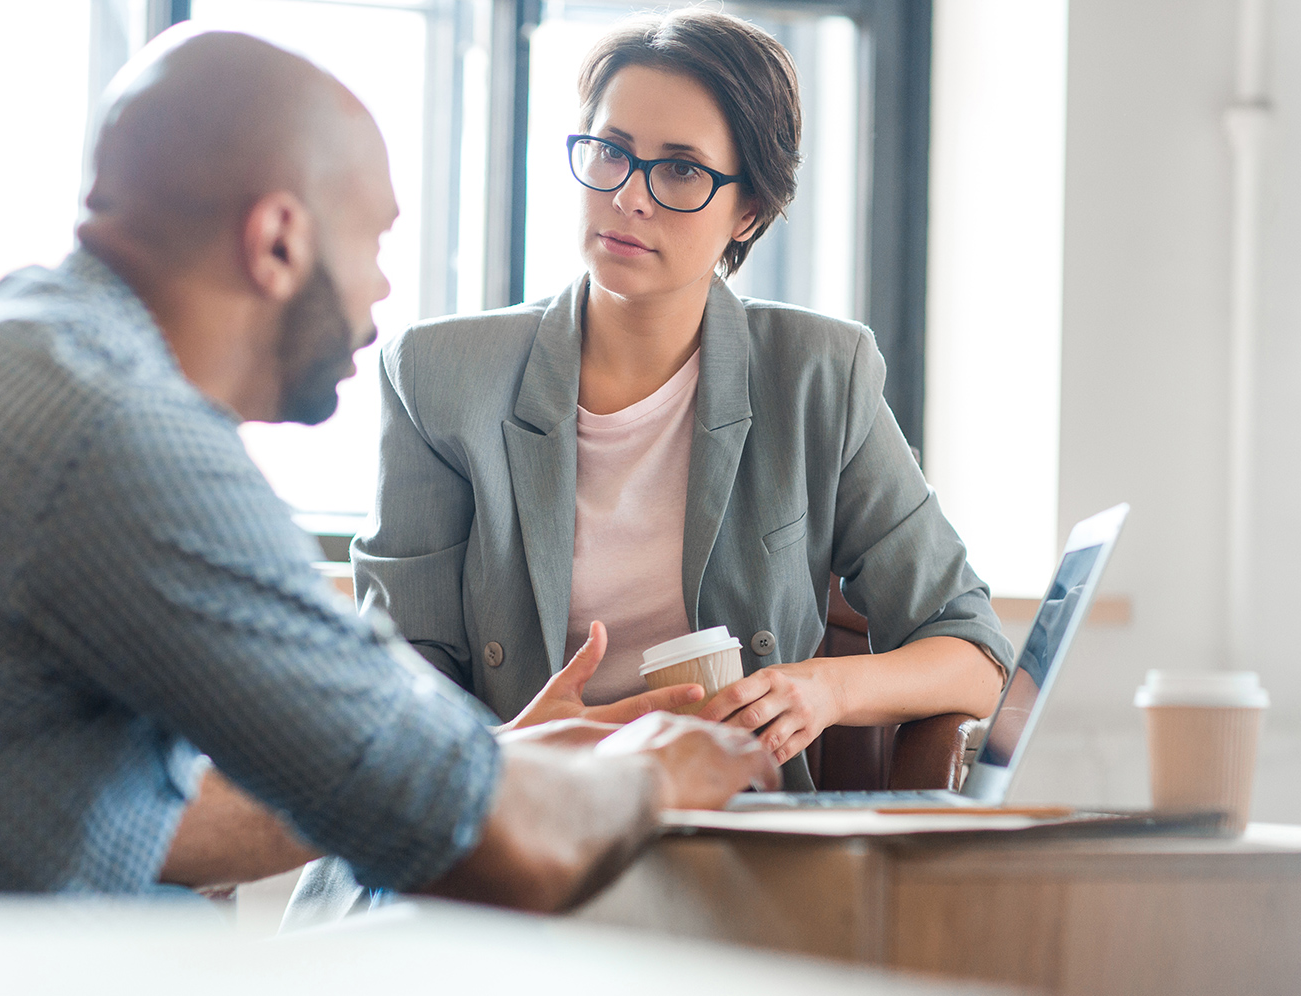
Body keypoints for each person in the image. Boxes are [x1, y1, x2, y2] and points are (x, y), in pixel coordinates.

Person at [0, 26, 776, 907]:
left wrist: (490, 758)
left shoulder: (1, 356)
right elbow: (496, 850)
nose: (384, 291)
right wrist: (660, 775)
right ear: (277, 242)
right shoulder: (129, 444)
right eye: (374, 243)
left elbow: (162, 819)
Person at [355, 8, 1014, 792]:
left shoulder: (818, 374)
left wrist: (826, 689)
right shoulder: (439, 375)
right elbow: (394, 681)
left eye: (679, 170)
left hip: (731, 834)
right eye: (610, 152)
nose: (630, 197)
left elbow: (976, 655)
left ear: (749, 211)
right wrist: (512, 746)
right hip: (506, 819)